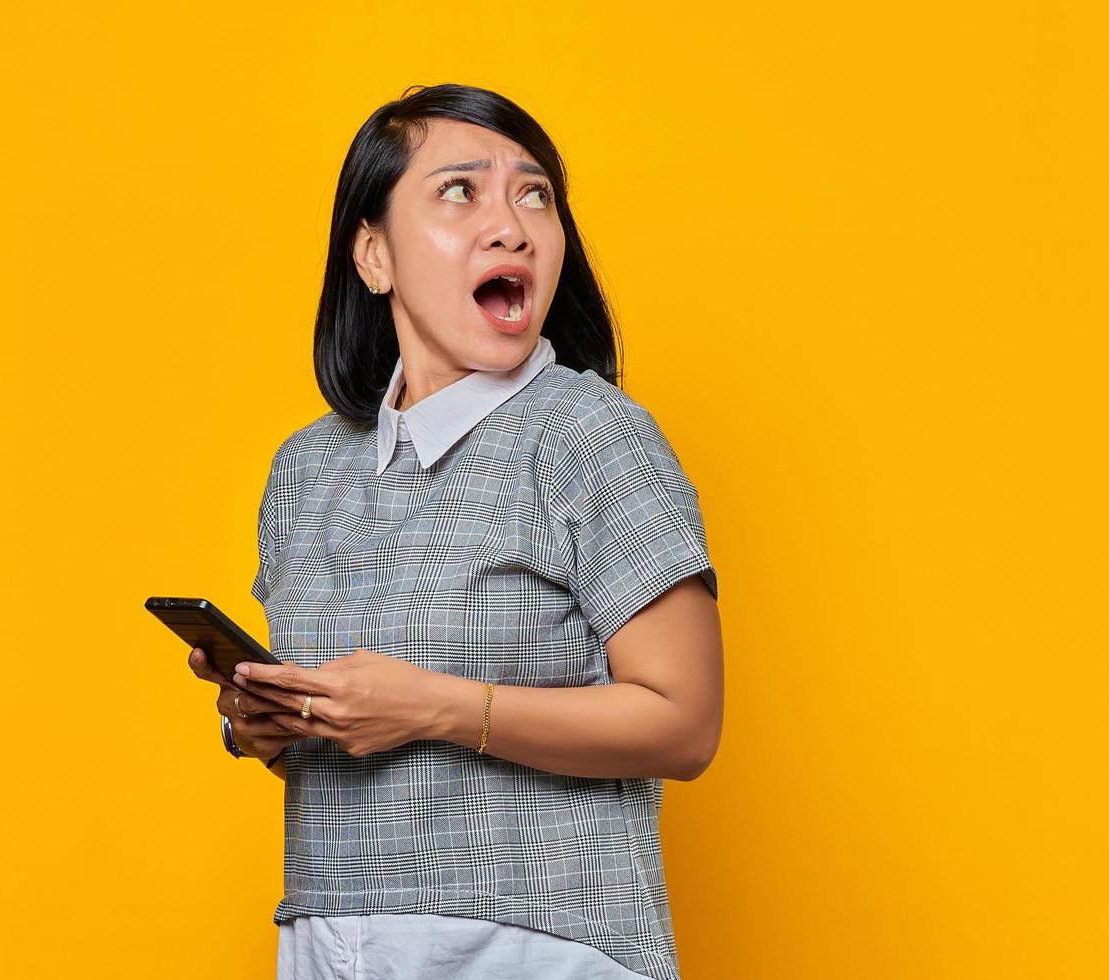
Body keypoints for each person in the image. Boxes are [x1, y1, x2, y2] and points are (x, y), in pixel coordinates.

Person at [185, 83, 723, 980]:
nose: (511, 224)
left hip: (537, 949)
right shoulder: (307, 469)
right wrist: (268, 723)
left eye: (534, 194)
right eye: (461, 190)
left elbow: (685, 722)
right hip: (331, 940)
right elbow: (360, 744)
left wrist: (435, 707)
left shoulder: (592, 433)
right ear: (373, 254)